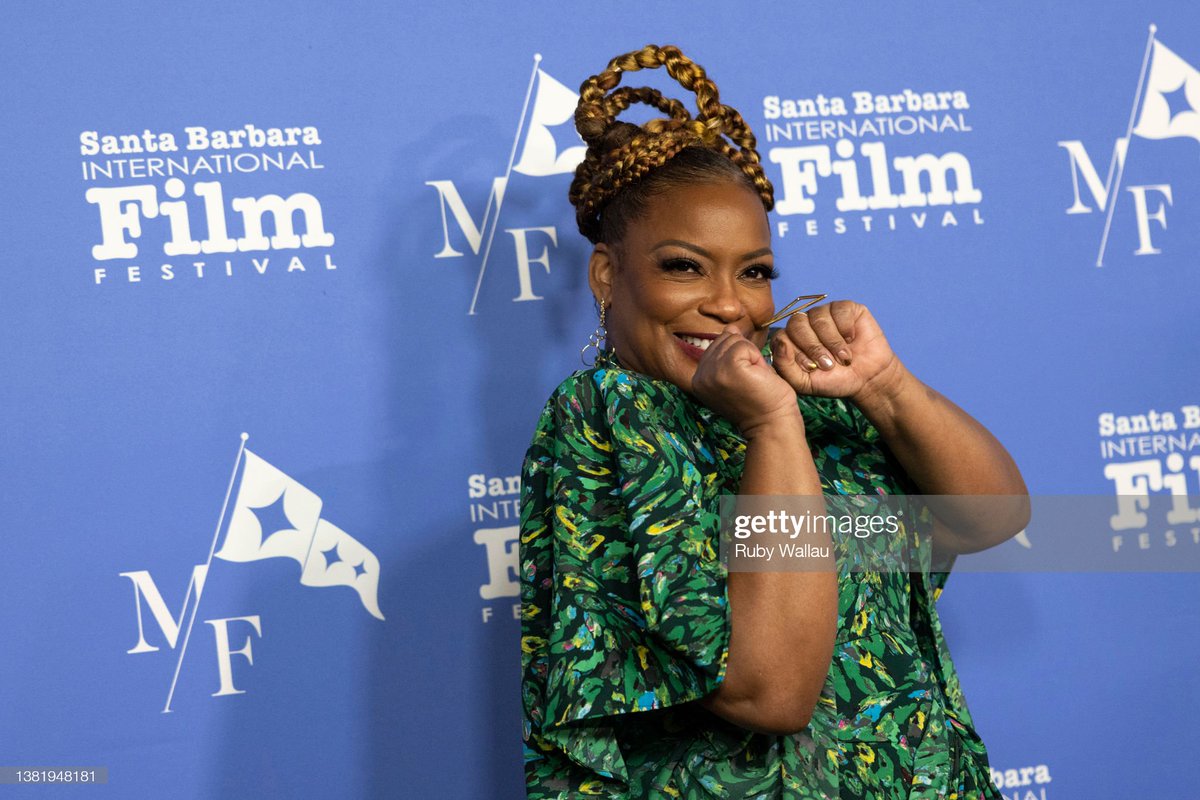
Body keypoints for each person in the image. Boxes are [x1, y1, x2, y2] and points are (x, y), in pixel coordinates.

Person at [518, 44, 1029, 799]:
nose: (730, 303)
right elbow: (772, 693)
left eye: (754, 272)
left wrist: (884, 387)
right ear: (606, 276)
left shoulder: (805, 396)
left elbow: (993, 517)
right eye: (684, 266)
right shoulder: (605, 418)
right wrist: (773, 429)